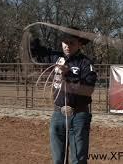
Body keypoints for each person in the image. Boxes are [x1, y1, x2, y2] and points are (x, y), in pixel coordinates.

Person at [31, 28, 97, 164]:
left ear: (80, 44)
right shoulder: (56, 58)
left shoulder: (86, 64)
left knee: (78, 160)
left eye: (71, 43)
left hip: (78, 115)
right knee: (57, 159)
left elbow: (87, 89)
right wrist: (32, 38)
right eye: (65, 42)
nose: (67, 46)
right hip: (58, 113)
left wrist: (68, 75)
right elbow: (37, 53)